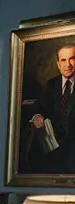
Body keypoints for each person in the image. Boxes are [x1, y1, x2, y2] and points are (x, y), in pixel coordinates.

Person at [27, 44, 75, 174]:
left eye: (72, 58)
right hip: (54, 145)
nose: (68, 64)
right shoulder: (51, 84)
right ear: (58, 64)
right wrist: (38, 116)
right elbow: (40, 108)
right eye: (63, 60)